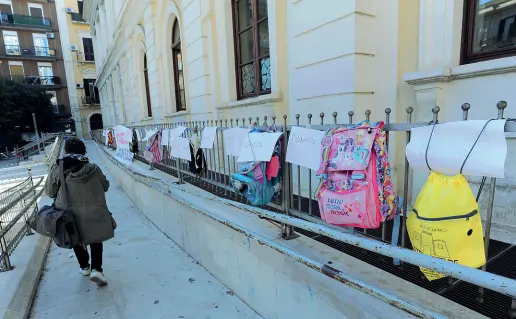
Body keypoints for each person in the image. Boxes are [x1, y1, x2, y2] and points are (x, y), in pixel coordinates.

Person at [44, 138, 114, 286]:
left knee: (74, 237)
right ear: (84, 151)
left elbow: (50, 192)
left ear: (66, 151)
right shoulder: (93, 168)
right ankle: (97, 270)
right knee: (96, 238)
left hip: (69, 212)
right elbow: (105, 186)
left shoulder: (58, 168)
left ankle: (85, 267)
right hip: (94, 209)